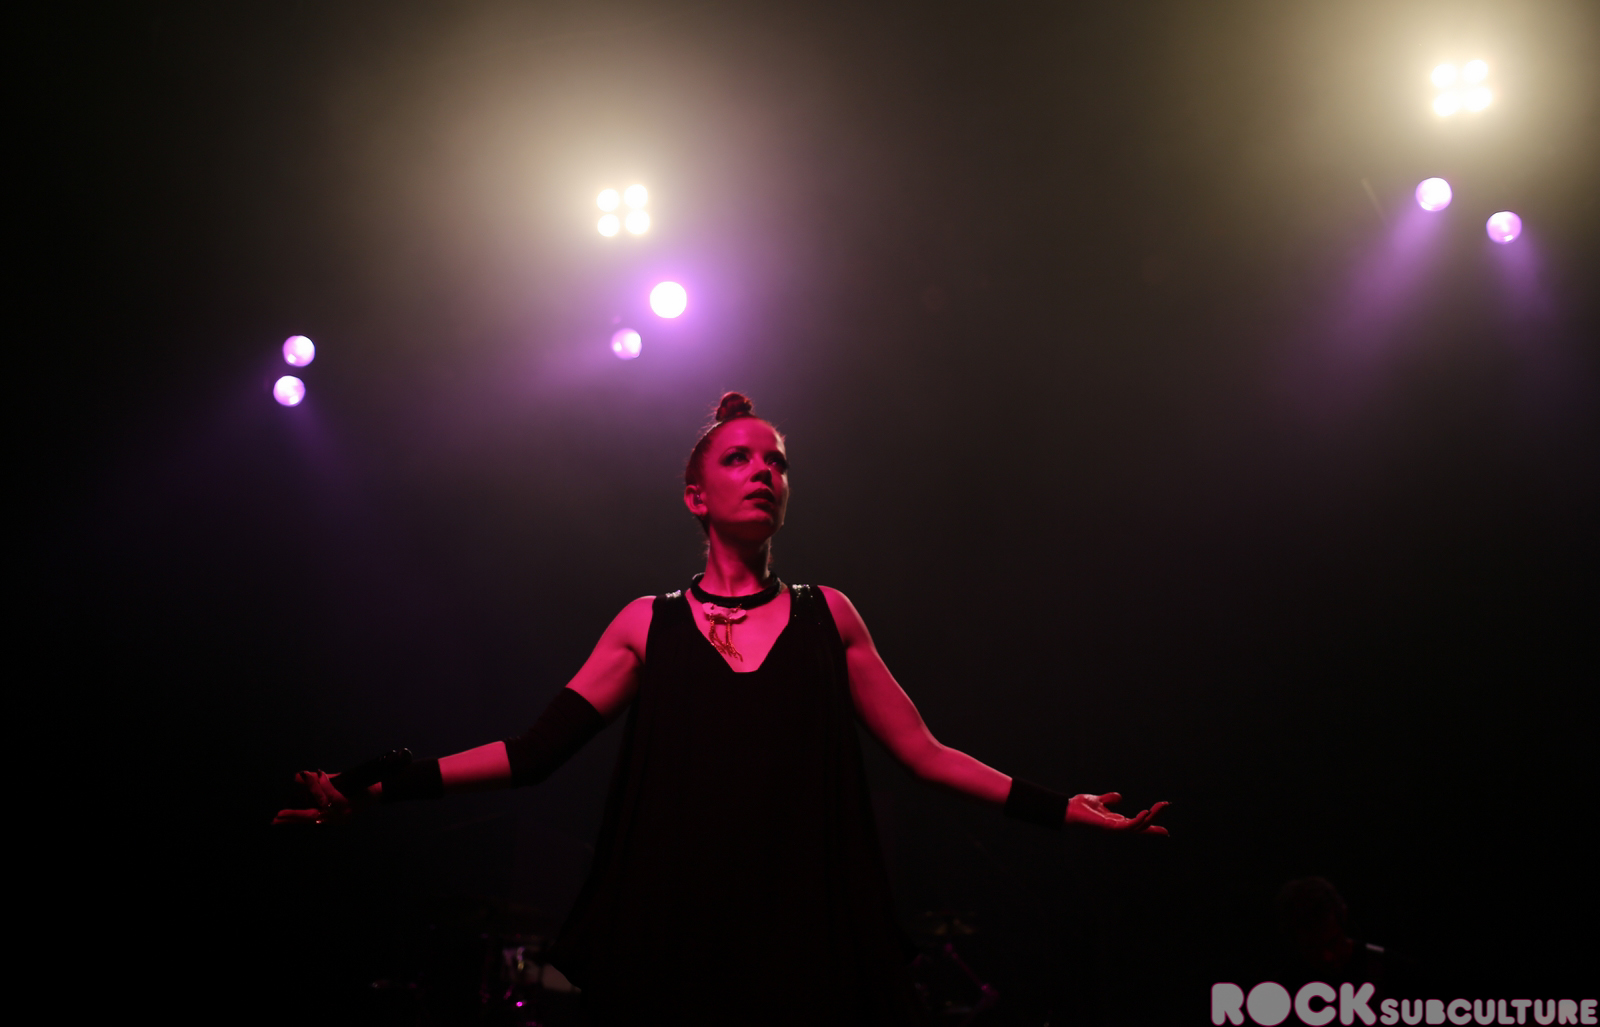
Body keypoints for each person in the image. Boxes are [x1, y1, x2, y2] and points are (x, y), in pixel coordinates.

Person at [276, 391, 1169, 1025]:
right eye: (739, 458)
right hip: (677, 936)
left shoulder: (830, 616)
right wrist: (379, 785)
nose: (764, 471)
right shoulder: (646, 623)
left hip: (805, 938)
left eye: (776, 460)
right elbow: (532, 752)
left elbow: (924, 752)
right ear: (696, 496)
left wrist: (1063, 807)